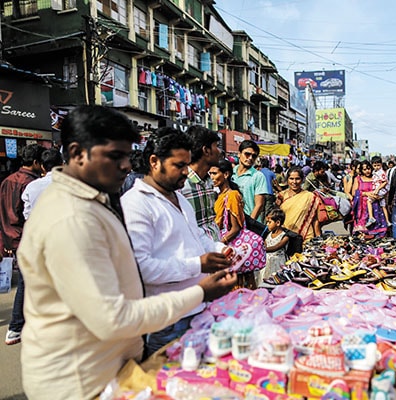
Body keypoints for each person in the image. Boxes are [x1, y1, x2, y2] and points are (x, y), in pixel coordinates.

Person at [17, 105, 236, 399]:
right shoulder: (71, 217)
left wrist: (214, 253)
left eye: (126, 155)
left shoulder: (94, 201)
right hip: (79, 381)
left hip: (109, 366)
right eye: (114, 156)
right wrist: (199, 290)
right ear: (77, 153)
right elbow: (113, 316)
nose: (126, 166)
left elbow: (192, 238)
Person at [121, 128, 234, 356]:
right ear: (154, 162)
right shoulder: (135, 204)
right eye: (179, 165)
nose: (186, 172)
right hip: (167, 320)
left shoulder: (180, 197)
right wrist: (198, 265)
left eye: (187, 164)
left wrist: (220, 250)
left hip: (199, 310)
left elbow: (196, 236)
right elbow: (141, 268)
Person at [0, 143, 44, 345]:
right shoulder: (31, 184)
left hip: (11, 238)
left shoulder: (6, 181)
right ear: (36, 163)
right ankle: (17, 326)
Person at [210, 159, 257, 289]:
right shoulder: (218, 195)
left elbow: (235, 228)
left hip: (231, 248)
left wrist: (220, 242)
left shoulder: (232, 196)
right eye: (210, 174)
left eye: (214, 173)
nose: (211, 177)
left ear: (225, 175)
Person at [181, 125, 222, 241]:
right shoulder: (182, 185)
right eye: (216, 146)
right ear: (206, 150)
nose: (220, 152)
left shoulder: (209, 181)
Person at [277, 166, 322, 240]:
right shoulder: (281, 195)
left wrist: (319, 239)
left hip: (305, 236)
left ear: (302, 180)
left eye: (297, 179)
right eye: (291, 178)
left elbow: (315, 220)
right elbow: (277, 218)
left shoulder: (310, 196)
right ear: (287, 180)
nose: (294, 182)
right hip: (285, 236)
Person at [21, 148, 63, 220]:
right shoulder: (73, 185)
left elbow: (27, 214)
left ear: (42, 167)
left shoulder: (31, 187)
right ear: (62, 165)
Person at [232, 140, 268, 221]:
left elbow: (259, 204)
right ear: (239, 154)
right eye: (247, 154)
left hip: (249, 222)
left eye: (254, 156)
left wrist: (249, 224)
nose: (250, 158)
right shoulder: (231, 173)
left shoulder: (258, 176)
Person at [352, 160, 388, 237]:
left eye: (368, 168)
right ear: (361, 170)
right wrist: (366, 193)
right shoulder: (358, 179)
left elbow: (383, 187)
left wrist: (379, 196)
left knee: (377, 230)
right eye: (364, 169)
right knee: (362, 233)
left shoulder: (375, 177)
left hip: (375, 205)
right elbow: (354, 192)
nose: (367, 171)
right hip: (362, 207)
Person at [260, 208, 290, 285]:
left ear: (278, 223)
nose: (267, 224)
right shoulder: (268, 235)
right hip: (267, 262)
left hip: (278, 263)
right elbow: (265, 244)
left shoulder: (285, 236)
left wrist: (262, 249)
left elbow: (276, 247)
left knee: (277, 282)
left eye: (269, 222)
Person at [366, 156, 390, 226]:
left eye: (378, 165)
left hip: (380, 191)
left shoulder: (381, 172)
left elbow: (385, 182)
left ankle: (371, 217)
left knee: (369, 201)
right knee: (383, 206)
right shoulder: (375, 172)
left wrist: (377, 189)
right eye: (375, 165)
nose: (376, 167)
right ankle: (387, 221)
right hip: (380, 191)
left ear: (381, 164)